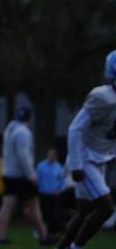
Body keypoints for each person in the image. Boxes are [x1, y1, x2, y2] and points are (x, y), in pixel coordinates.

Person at [56, 50, 116, 249]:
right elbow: (75, 128)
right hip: (85, 158)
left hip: (99, 159)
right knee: (106, 208)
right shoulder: (103, 98)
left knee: (85, 211)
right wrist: (76, 164)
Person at [0, 106, 51, 245]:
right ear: (30, 118)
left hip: (8, 173)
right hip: (21, 175)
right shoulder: (23, 132)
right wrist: (31, 175)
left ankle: (0, 236)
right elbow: (23, 155)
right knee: (34, 205)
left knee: (6, 206)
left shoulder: (10, 129)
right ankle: (43, 236)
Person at [37, 148, 67, 235]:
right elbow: (37, 179)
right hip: (43, 194)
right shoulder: (41, 166)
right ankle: (43, 231)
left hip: (55, 194)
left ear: (56, 156)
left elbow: (62, 181)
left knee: (55, 213)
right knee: (44, 213)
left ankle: (54, 230)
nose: (51, 157)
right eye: (49, 155)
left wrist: (60, 190)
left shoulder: (59, 167)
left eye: (53, 155)